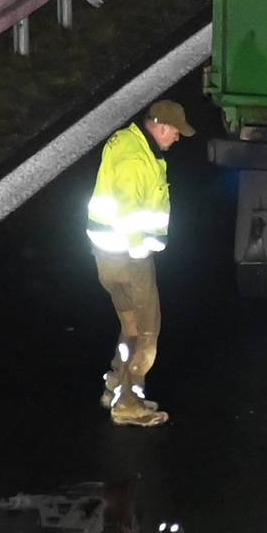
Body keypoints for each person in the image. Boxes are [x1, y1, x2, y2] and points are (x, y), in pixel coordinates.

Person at [87, 99, 193, 427]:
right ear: (161, 126)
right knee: (148, 333)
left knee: (129, 326)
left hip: (106, 256)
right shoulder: (136, 158)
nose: (177, 138)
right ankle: (128, 404)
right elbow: (128, 207)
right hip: (128, 257)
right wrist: (139, 249)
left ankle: (115, 387)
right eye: (176, 132)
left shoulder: (129, 142)